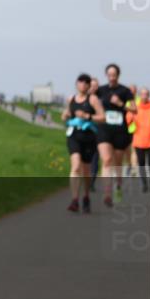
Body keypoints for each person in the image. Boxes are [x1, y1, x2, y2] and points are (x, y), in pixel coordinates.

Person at [95, 64, 137, 206]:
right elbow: (91, 103)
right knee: (107, 160)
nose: (112, 77)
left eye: (114, 75)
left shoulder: (125, 91)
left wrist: (120, 104)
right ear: (106, 75)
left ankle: (118, 188)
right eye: (109, 74)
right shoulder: (100, 90)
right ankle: (107, 194)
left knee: (118, 164)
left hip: (120, 131)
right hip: (104, 129)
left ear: (118, 75)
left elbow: (134, 109)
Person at [62, 74, 104, 213]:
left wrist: (88, 116)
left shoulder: (93, 99)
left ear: (89, 86)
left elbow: (102, 117)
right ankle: (74, 200)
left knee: (86, 170)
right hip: (74, 135)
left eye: (86, 83)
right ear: (76, 84)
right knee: (75, 167)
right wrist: (65, 115)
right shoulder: (71, 99)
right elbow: (67, 112)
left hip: (88, 137)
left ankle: (86, 197)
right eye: (81, 82)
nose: (83, 85)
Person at [89, 77, 101, 192]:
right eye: (92, 85)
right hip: (83, 133)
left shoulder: (101, 99)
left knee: (94, 159)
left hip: (98, 133)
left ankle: (91, 182)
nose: (93, 87)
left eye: (96, 86)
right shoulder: (82, 98)